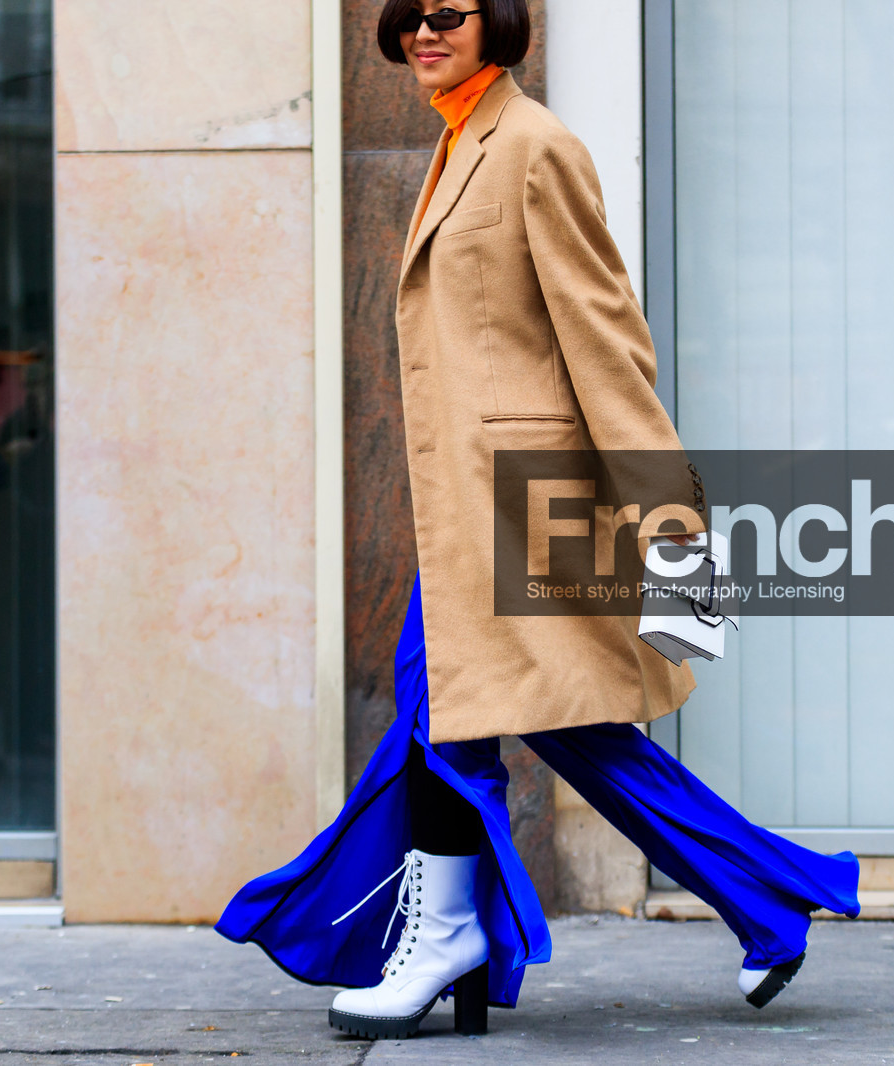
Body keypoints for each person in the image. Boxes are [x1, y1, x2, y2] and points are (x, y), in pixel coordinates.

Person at [217, 0, 860, 1040]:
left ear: (500, 24)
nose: (424, 31)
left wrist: (669, 521)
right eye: (409, 16)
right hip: (478, 504)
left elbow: (606, 338)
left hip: (524, 503)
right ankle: (769, 895)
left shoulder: (534, 147)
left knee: (448, 706)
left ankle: (446, 937)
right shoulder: (463, 139)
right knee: (566, 728)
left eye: (450, 14)